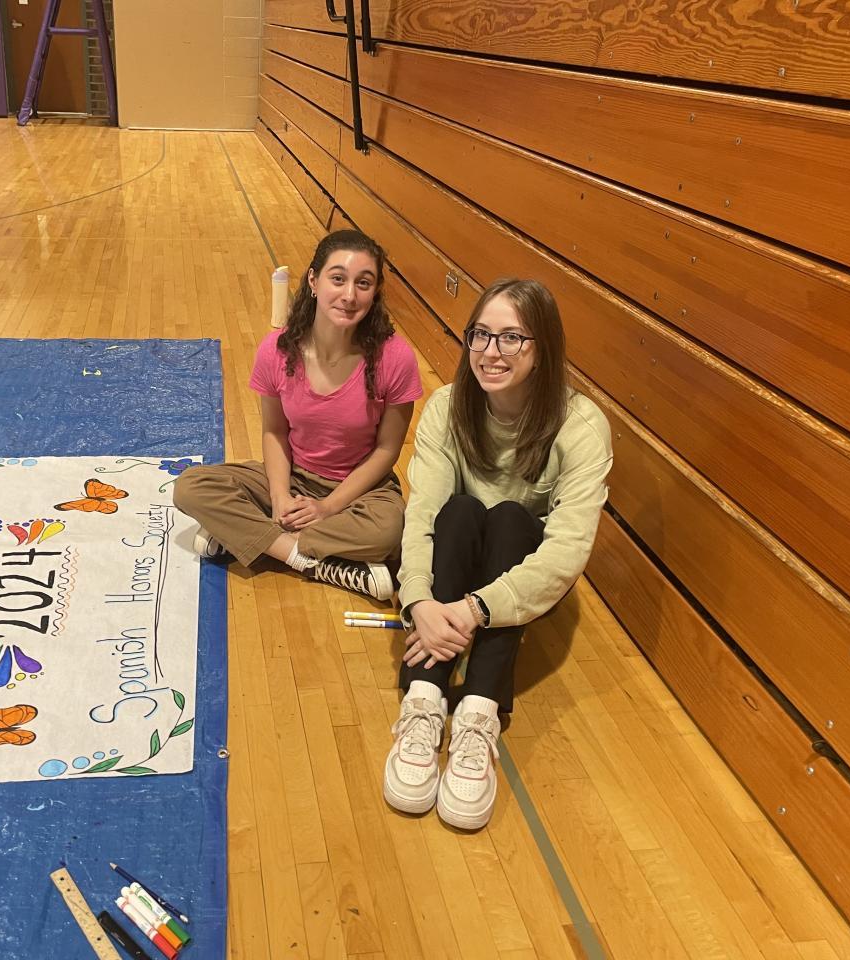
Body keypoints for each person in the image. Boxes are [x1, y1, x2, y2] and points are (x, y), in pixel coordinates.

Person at [383, 278, 613, 829]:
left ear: (543, 347)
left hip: (517, 582)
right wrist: (418, 602)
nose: (491, 352)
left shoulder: (582, 427)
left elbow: (565, 554)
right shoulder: (447, 407)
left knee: (511, 518)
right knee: (460, 510)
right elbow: (423, 515)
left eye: (512, 338)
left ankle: (478, 711)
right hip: (452, 567)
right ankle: (424, 698)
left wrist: (474, 610)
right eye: (481, 334)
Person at [173, 229, 422, 600]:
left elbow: (387, 450)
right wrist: (278, 498)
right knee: (190, 487)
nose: (349, 295)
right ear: (314, 281)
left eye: (363, 283)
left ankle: (246, 535)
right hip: (293, 476)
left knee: (390, 532)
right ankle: (309, 560)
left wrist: (328, 507)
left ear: (375, 292)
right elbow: (274, 432)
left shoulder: (396, 358)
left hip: (360, 489)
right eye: (338, 278)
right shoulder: (276, 350)